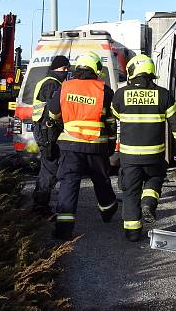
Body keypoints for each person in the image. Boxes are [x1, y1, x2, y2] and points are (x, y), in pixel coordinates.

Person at [111, 54, 176, 242]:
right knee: (154, 177)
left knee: (130, 192)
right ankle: (148, 202)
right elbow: (175, 124)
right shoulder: (164, 94)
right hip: (154, 154)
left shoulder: (121, 94)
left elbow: (113, 120)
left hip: (129, 155)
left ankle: (133, 232)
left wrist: (111, 147)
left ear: (132, 71)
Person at [48, 52, 118, 240]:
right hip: (96, 146)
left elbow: (53, 114)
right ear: (96, 69)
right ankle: (108, 210)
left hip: (70, 146)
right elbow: (111, 121)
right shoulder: (104, 90)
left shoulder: (65, 87)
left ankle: (64, 227)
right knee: (101, 180)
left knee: (68, 184)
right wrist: (111, 142)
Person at [30, 55, 70, 216]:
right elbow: (52, 112)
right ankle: (40, 207)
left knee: (48, 167)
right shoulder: (52, 84)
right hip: (47, 132)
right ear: (56, 69)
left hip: (44, 130)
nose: (66, 72)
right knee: (48, 169)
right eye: (64, 69)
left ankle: (40, 203)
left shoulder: (49, 81)